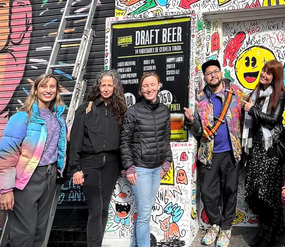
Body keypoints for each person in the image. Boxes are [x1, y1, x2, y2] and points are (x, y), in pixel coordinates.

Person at [0, 74, 67, 247]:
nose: (48, 90)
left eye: (52, 87)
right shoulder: (22, 118)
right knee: (24, 231)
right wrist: (5, 190)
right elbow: (6, 153)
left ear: (57, 91)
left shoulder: (58, 118)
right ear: (35, 90)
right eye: (43, 86)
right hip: (27, 179)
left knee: (40, 230)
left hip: (49, 177)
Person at [184, 59, 246, 247]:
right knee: (208, 193)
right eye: (209, 73)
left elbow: (249, 114)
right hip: (209, 154)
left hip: (231, 152)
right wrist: (190, 121)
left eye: (215, 71)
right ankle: (214, 225)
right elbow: (197, 132)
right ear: (205, 77)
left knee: (230, 190)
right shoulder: (200, 99)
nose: (213, 75)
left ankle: (226, 228)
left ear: (221, 73)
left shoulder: (235, 94)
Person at [69, 70, 127, 247]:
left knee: (103, 208)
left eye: (110, 85)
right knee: (95, 208)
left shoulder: (120, 110)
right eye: (104, 85)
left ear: (115, 87)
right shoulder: (85, 109)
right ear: (98, 87)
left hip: (111, 163)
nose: (107, 89)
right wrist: (75, 168)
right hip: (89, 163)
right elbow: (75, 140)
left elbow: (124, 139)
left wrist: (125, 164)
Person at [120, 72, 173, 247]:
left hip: (157, 168)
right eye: (145, 86)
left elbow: (166, 138)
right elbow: (125, 141)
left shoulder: (164, 110)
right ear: (141, 90)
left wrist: (167, 161)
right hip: (140, 169)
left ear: (159, 86)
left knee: (145, 212)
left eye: (152, 85)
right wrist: (129, 167)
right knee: (143, 215)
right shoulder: (133, 112)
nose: (149, 89)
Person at [243, 59, 285, 247]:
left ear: (275, 77)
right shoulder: (255, 93)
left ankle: (270, 234)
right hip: (256, 150)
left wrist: (252, 110)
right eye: (263, 71)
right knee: (255, 193)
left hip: (270, 151)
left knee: (268, 194)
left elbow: (273, 121)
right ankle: (265, 229)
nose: (264, 75)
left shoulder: (280, 94)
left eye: (269, 73)